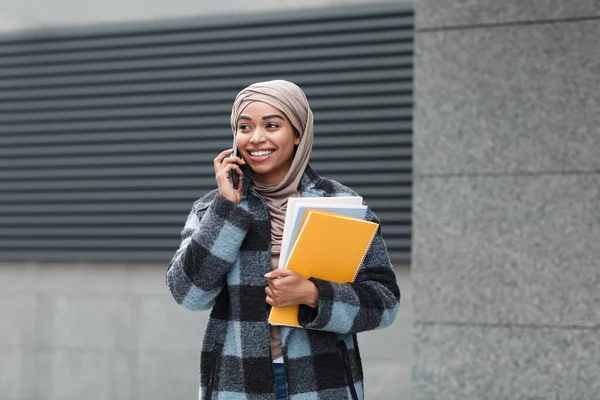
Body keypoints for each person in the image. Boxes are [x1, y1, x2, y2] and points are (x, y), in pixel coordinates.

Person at [166, 80, 400, 400]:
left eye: (272, 125)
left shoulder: (341, 204)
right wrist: (228, 209)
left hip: (323, 384)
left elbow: (385, 303)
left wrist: (314, 294)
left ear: (299, 133)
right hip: (236, 384)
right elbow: (189, 294)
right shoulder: (212, 208)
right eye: (244, 126)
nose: (256, 137)